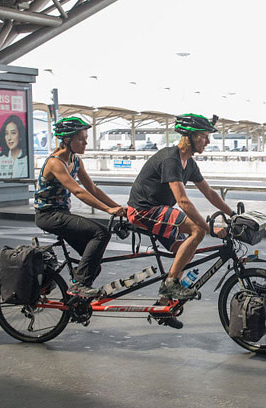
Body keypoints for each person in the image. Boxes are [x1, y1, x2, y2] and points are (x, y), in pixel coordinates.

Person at [127, 113, 234, 328]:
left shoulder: (189, 163)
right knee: (197, 230)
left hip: (159, 210)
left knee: (184, 253)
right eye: (203, 136)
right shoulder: (171, 159)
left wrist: (233, 214)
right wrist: (210, 228)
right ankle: (171, 284)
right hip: (143, 210)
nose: (207, 141)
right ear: (190, 137)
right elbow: (183, 201)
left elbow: (209, 193)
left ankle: (162, 306)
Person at [34, 117, 126, 298]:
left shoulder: (75, 160)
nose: (85, 143)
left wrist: (119, 208)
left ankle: (75, 301)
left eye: (86, 138)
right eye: (81, 139)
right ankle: (78, 286)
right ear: (67, 139)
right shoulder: (55, 163)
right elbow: (78, 191)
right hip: (48, 215)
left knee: (92, 265)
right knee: (101, 233)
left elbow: (92, 189)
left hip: (62, 213)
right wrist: (107, 210)